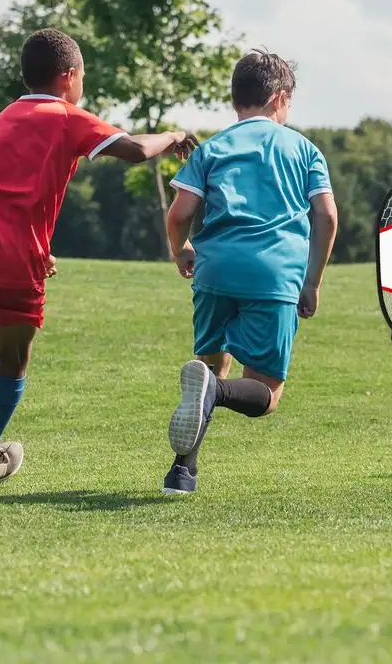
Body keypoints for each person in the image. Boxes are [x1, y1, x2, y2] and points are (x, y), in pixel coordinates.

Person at [0, 28, 198, 486]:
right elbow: (135, 149)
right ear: (70, 76)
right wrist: (174, 134)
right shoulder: (65, 116)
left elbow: (3, 190)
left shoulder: (4, 117)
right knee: (11, 360)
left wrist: (38, 243)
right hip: (11, 259)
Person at [162, 48, 338, 495]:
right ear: (279, 98)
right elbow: (327, 215)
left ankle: (182, 472)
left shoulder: (213, 148)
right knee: (266, 395)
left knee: (209, 368)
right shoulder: (303, 149)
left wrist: (180, 249)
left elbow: (180, 212)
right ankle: (216, 396)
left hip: (215, 269)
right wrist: (313, 280)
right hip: (273, 274)